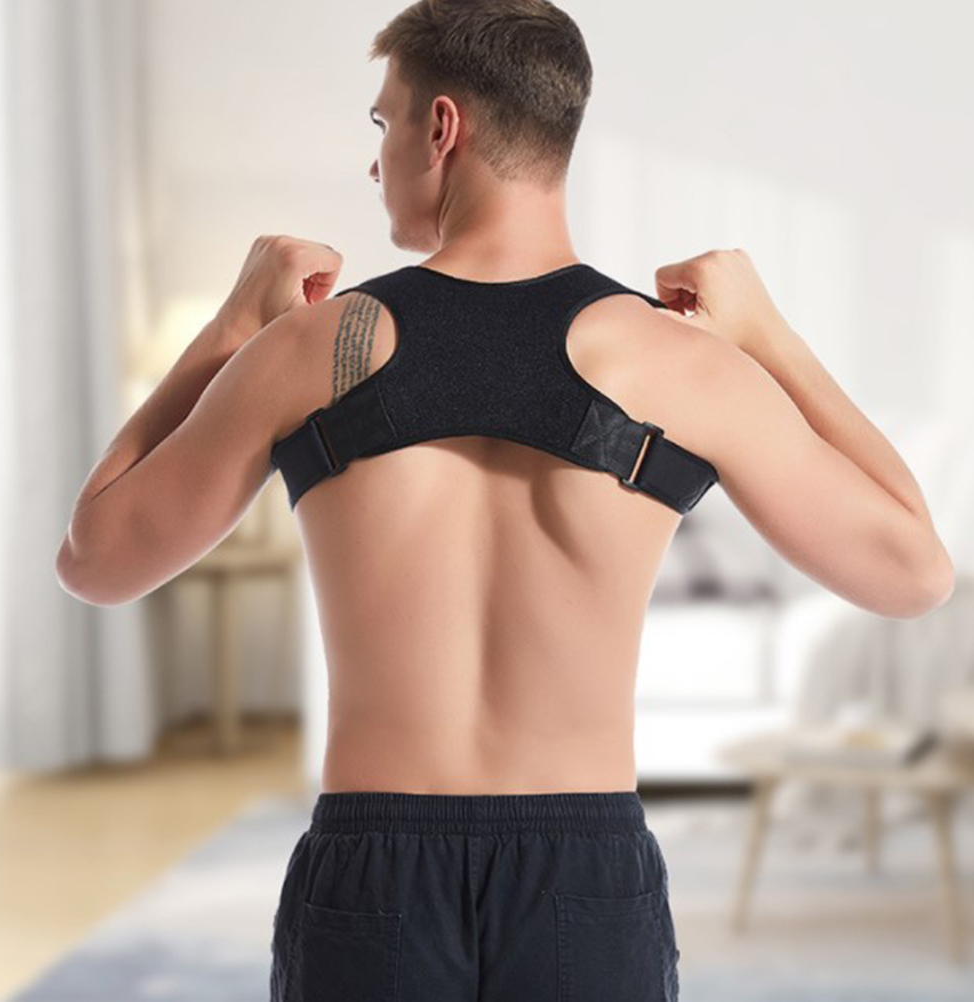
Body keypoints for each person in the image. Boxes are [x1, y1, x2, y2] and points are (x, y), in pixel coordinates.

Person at [55, 1, 955, 1000]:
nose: (375, 162)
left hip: (373, 872)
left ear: (441, 127)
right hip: (584, 874)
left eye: (383, 123)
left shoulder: (311, 349)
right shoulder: (680, 365)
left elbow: (95, 559)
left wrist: (230, 330)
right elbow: (916, 572)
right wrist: (768, 336)